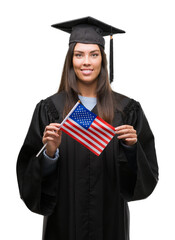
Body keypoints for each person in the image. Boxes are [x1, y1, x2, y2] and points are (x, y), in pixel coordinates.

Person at [16, 16, 159, 240]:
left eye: (94, 54)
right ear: (70, 60)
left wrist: (132, 149)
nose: (86, 62)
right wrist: (50, 153)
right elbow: (28, 181)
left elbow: (144, 182)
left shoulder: (127, 111)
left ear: (103, 59)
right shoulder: (51, 110)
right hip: (63, 226)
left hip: (110, 225)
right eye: (79, 54)